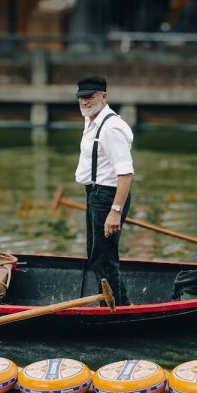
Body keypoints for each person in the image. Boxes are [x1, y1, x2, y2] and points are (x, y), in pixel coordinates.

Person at [74, 75, 134, 306]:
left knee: (104, 258)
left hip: (108, 196)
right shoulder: (92, 121)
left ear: (104, 96)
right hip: (95, 194)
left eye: (89, 96)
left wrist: (115, 211)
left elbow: (126, 173)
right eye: (81, 97)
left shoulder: (111, 128)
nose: (84, 101)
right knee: (96, 254)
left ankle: (114, 309)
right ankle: (122, 304)